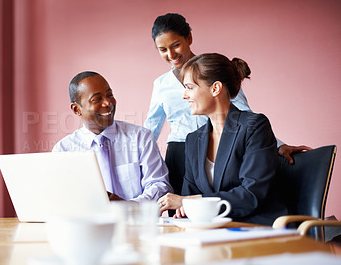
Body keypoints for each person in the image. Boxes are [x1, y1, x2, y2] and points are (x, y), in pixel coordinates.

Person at [144, 13, 311, 196]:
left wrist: (277, 145)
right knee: (183, 211)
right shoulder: (160, 84)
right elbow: (151, 128)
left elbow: (246, 117)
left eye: (176, 45)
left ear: (189, 38)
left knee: (222, 203)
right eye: (163, 49)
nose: (171, 54)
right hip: (181, 152)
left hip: (223, 146)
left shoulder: (213, 69)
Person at [157, 53, 288, 225]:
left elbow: (251, 195)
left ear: (215, 88)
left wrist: (190, 202)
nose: (184, 95)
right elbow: (189, 199)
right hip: (213, 232)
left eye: (189, 87)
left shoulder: (254, 126)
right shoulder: (193, 140)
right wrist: (185, 208)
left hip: (257, 228)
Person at [53, 71, 173, 202]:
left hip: (135, 220)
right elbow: (61, 196)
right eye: (97, 99)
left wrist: (130, 207)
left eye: (109, 95)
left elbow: (160, 186)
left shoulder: (141, 137)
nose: (107, 103)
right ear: (77, 109)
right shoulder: (64, 150)